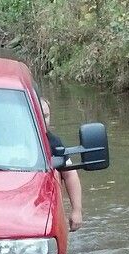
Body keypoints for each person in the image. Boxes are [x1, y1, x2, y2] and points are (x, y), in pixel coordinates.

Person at [41, 97, 83, 231]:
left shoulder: (54, 143)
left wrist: (77, 211)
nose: (43, 120)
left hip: (49, 209)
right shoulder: (9, 141)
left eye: (46, 116)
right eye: (38, 115)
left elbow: (70, 175)